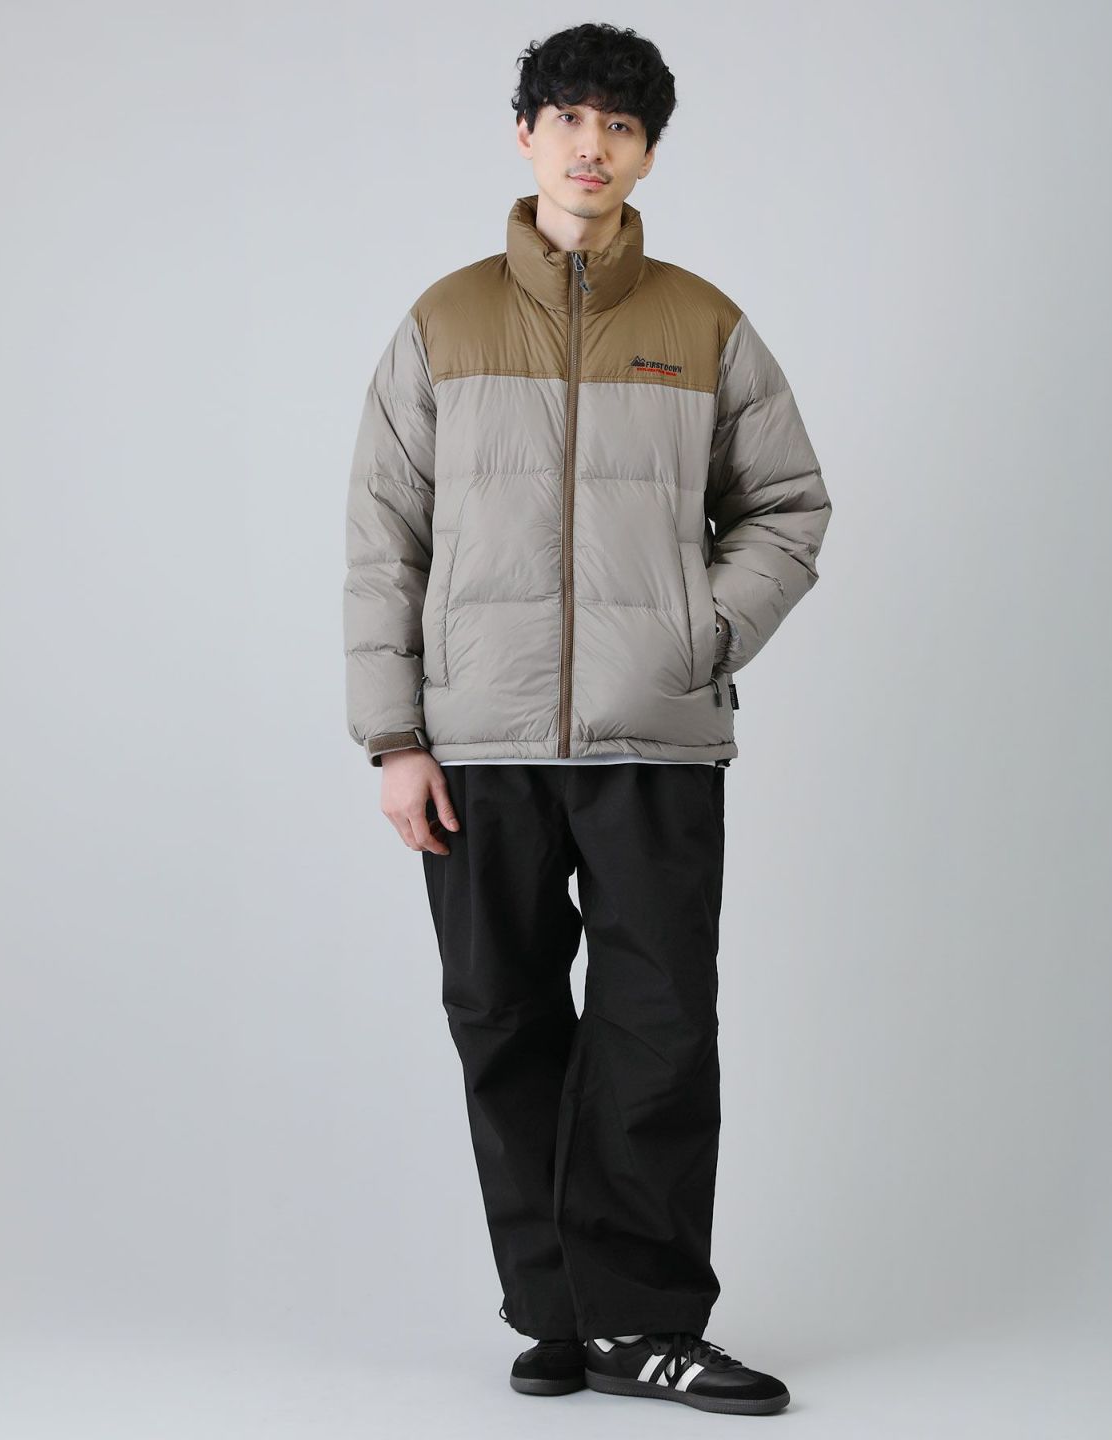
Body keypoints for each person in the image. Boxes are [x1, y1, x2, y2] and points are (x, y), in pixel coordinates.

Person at [343, 21, 831, 1417]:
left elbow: (788, 506)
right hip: (476, 745)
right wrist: (395, 738)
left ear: (649, 152)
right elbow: (383, 542)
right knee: (501, 1019)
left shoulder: (702, 324)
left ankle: (647, 1320)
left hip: (651, 745)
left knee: (657, 1031)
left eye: (620, 125)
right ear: (526, 134)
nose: (591, 145)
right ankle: (562, 1314)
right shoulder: (442, 323)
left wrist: (697, 638)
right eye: (568, 117)